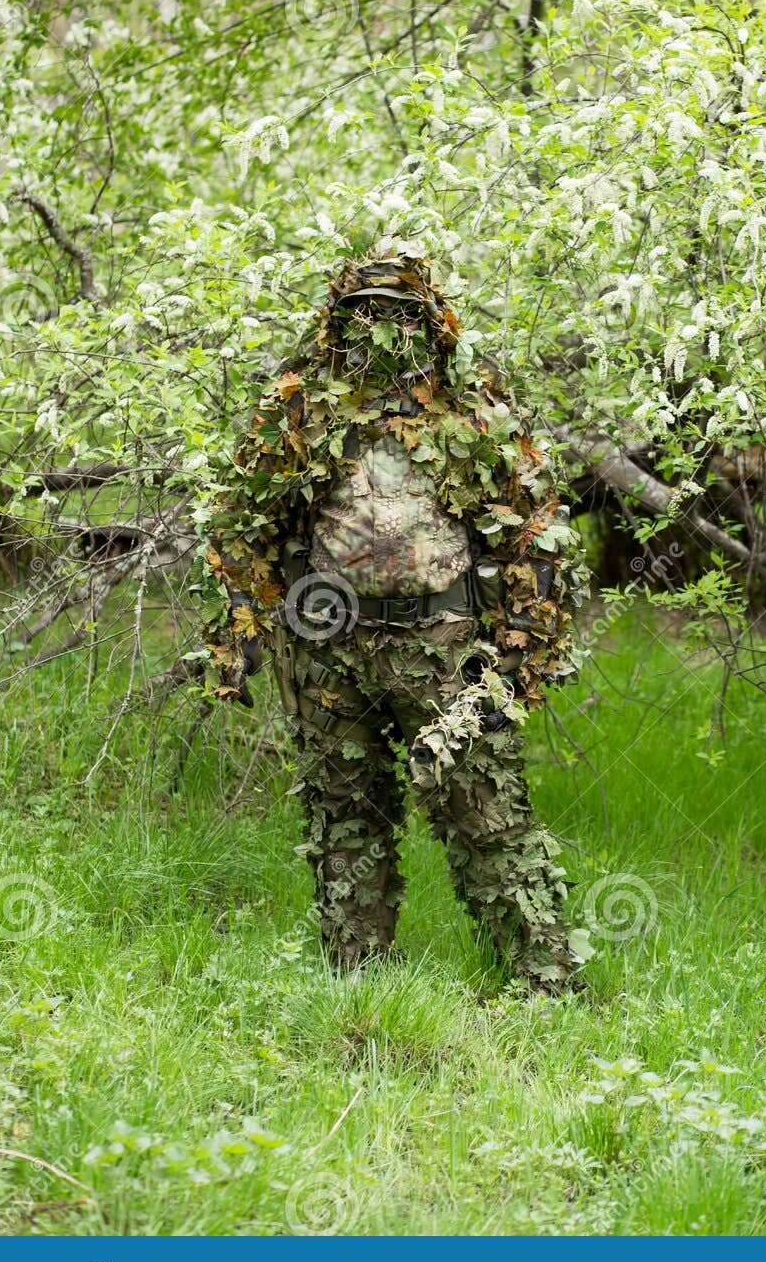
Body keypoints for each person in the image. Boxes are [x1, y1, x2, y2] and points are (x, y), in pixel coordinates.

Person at [199, 245, 582, 994]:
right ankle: (359, 983)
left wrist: (516, 651)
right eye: (364, 314)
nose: (383, 330)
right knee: (344, 818)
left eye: (401, 314)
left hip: (444, 646)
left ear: (431, 323)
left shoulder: (474, 413)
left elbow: (532, 532)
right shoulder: (301, 406)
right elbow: (241, 522)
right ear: (336, 322)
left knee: (485, 811)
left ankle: (542, 985)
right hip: (325, 646)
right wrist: (238, 629)